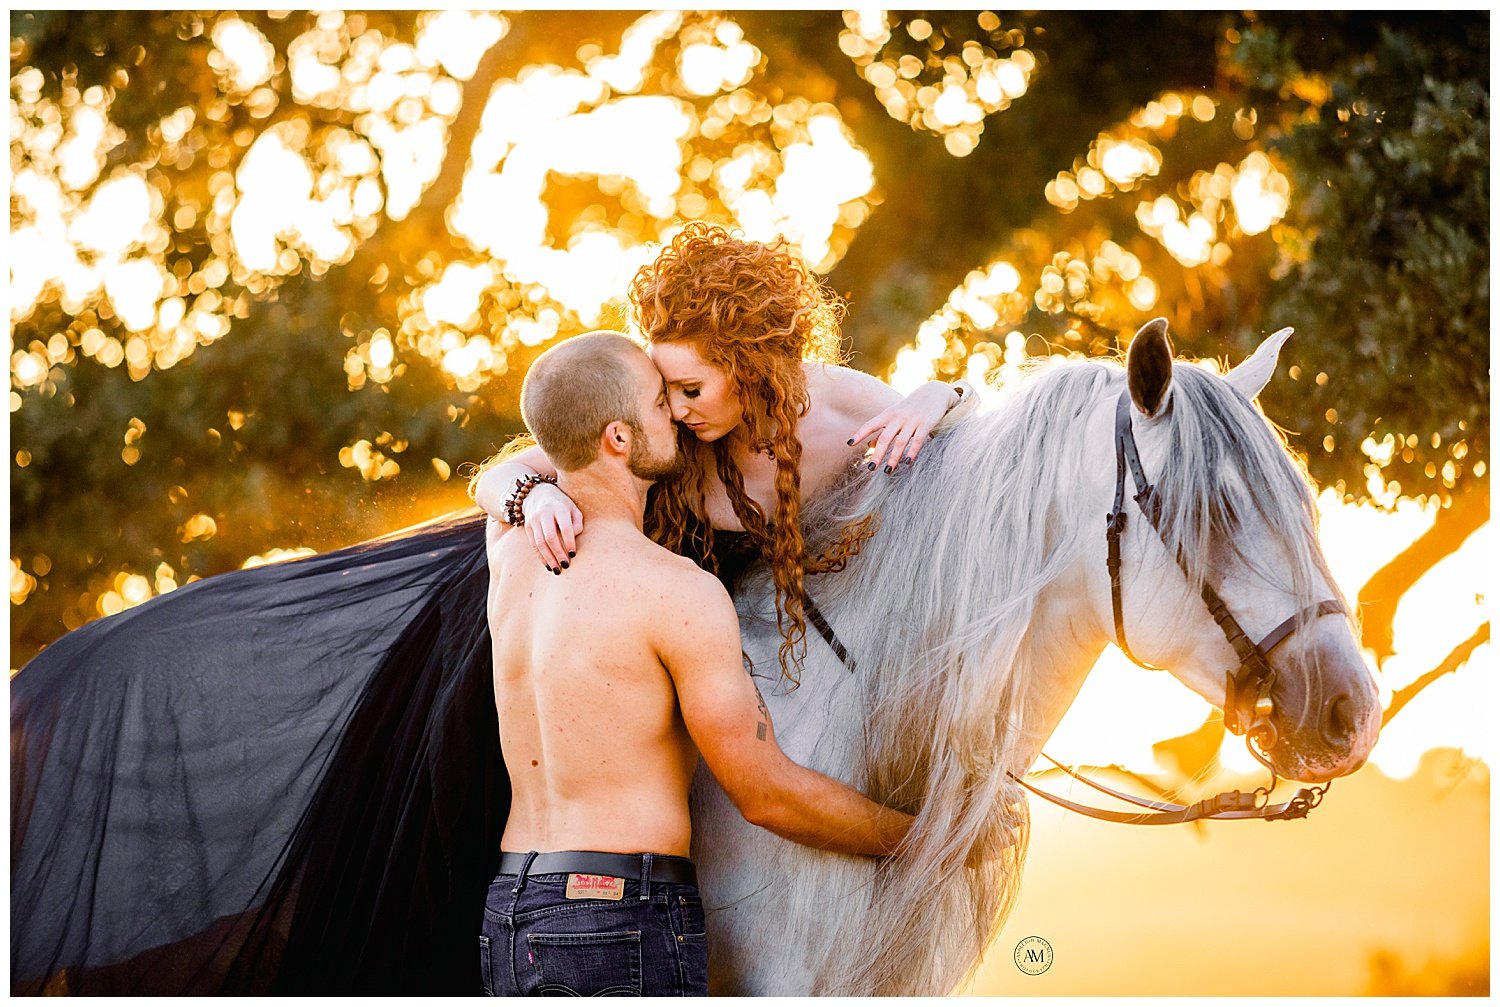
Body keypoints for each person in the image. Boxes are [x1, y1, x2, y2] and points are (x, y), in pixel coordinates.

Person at [481, 331, 910, 996]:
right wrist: (921, 837)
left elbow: (499, 481)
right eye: (660, 402)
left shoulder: (509, 551)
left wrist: (530, 496)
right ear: (619, 438)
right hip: (620, 912)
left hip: (514, 907)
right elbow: (766, 793)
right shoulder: (675, 591)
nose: (678, 416)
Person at [474, 222, 975, 683]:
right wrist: (532, 500)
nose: (673, 409)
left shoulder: (842, 405)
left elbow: (978, 460)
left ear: (749, 369)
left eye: (691, 389)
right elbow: (494, 479)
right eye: (665, 388)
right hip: (661, 669)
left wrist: (945, 394)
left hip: (816, 682)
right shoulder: (661, 437)